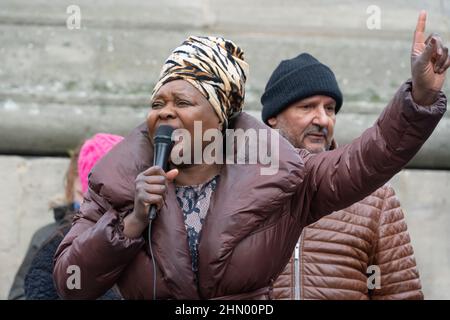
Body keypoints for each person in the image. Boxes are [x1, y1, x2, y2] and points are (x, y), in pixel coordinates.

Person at [53, 11, 447, 300]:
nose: (164, 111)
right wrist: (133, 221)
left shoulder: (283, 175)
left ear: (221, 115)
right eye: (158, 101)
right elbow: (69, 281)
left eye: (183, 101)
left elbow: (367, 159)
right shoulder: (117, 180)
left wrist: (419, 98)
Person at [263, 52, 424, 300]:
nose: (323, 119)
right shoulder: (236, 190)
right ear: (272, 117)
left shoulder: (375, 197)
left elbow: (400, 293)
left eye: (330, 108)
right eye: (307, 107)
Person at [19, 133, 123, 300]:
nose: (92, 206)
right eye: (83, 195)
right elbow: (22, 293)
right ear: (71, 185)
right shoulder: (48, 240)